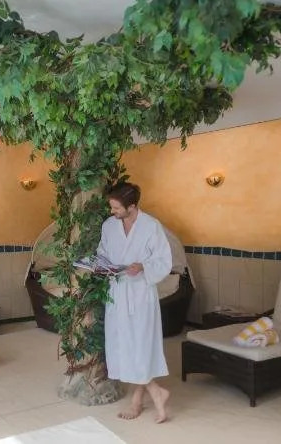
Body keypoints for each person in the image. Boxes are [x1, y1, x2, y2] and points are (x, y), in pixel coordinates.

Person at [98, 181, 172, 423]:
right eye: (111, 207)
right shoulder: (109, 226)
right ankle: (146, 397)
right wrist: (100, 266)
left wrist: (143, 266)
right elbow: (102, 253)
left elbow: (164, 261)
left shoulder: (151, 226)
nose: (112, 212)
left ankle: (147, 397)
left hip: (140, 295)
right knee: (124, 346)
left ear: (131, 206)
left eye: (116, 208)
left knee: (140, 346)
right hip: (117, 293)